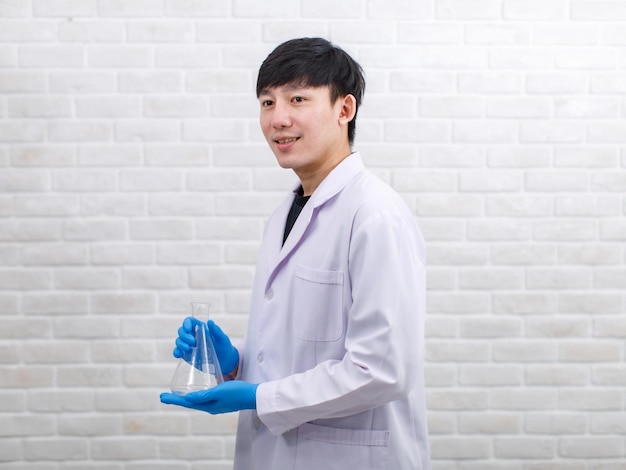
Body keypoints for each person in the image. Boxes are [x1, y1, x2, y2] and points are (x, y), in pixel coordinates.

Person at [160, 37, 430, 470]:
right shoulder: (286, 212)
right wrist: (237, 361)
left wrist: (258, 397)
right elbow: (302, 345)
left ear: (344, 109)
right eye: (267, 103)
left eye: (297, 99)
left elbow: (382, 369)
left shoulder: (375, 216)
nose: (278, 118)